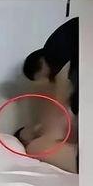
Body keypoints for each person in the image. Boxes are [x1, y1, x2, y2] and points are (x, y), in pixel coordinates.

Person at [17, 17, 79, 173]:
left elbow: (63, 90)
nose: (48, 80)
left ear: (41, 63)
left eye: (42, 77)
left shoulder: (53, 50)